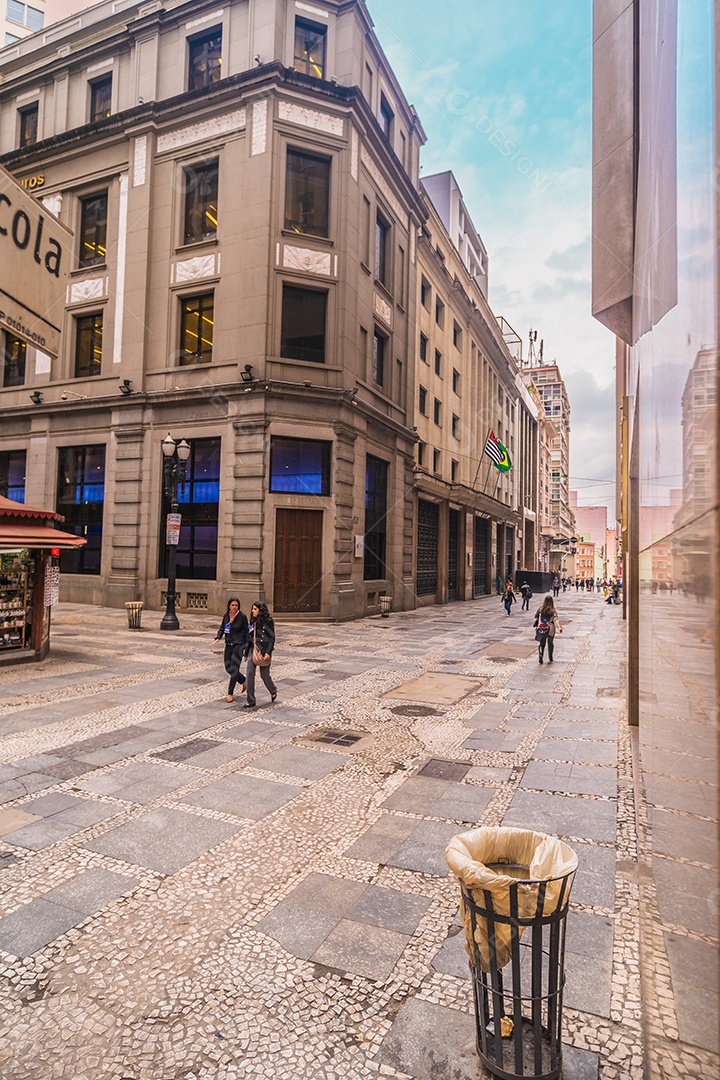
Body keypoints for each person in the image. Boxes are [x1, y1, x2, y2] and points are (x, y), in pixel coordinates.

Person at [214, 597, 249, 702]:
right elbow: (222, 628)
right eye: (232, 605)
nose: (234, 607)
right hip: (228, 644)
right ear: (229, 605)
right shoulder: (226, 616)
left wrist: (246, 647)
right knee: (228, 668)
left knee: (234, 668)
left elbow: (247, 632)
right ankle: (243, 680)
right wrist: (218, 637)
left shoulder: (242, 617)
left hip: (239, 644)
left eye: (236, 605)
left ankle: (230, 693)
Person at [244, 601, 278, 708]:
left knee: (264, 675)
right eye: (252, 609)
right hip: (253, 650)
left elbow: (272, 637)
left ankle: (273, 690)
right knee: (249, 673)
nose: (252, 611)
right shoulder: (253, 621)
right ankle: (251, 700)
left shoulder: (268, 621)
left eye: (255, 609)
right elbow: (249, 636)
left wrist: (268, 652)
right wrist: (246, 651)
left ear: (260, 610)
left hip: (264, 651)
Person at [534, 594, 563, 664]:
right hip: (550, 629)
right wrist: (559, 627)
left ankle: (541, 655)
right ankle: (550, 657)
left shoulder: (540, 609)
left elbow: (536, 616)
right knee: (550, 643)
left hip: (541, 628)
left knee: (542, 643)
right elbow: (556, 619)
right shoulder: (553, 610)